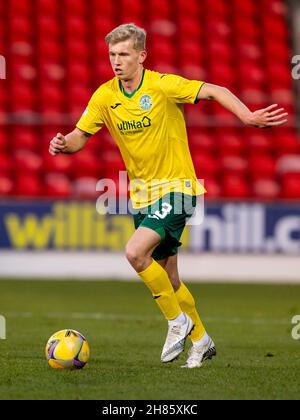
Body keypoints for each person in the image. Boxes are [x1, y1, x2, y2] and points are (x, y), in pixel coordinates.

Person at [49, 23, 288, 368]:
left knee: (134, 252)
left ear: (141, 56)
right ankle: (202, 341)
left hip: (178, 188)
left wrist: (247, 116)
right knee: (169, 276)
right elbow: (79, 136)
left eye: (124, 55)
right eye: (112, 55)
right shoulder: (105, 96)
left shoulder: (163, 86)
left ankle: (176, 322)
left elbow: (214, 90)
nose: (116, 61)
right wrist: (62, 145)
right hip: (142, 196)